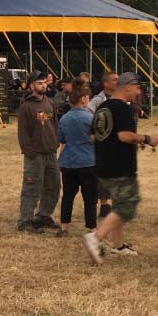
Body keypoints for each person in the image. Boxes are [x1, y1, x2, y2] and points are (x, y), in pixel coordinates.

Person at [82, 73, 158, 264]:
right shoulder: (123, 109)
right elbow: (124, 136)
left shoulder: (102, 108)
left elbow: (93, 136)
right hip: (120, 166)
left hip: (102, 164)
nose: (138, 92)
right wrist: (146, 138)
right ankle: (95, 238)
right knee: (127, 206)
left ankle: (118, 246)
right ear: (128, 86)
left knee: (119, 204)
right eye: (137, 88)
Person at [16, 70, 61, 234]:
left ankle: (43, 216)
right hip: (35, 155)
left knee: (53, 185)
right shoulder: (26, 106)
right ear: (31, 86)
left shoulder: (50, 103)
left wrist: (55, 143)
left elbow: (55, 124)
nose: (43, 85)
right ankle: (25, 221)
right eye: (39, 83)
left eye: (44, 82)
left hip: (50, 153)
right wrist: (30, 152)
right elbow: (22, 132)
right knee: (31, 187)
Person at [58, 82, 97, 235]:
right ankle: (92, 227)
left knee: (68, 195)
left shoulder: (64, 119)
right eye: (87, 96)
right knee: (90, 197)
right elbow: (96, 138)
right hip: (88, 161)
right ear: (82, 99)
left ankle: (64, 226)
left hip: (68, 162)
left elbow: (61, 138)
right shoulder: (90, 118)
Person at [88, 71, 119, 219]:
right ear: (106, 84)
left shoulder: (120, 99)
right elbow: (88, 117)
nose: (117, 82)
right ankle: (104, 204)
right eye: (114, 80)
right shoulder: (97, 101)